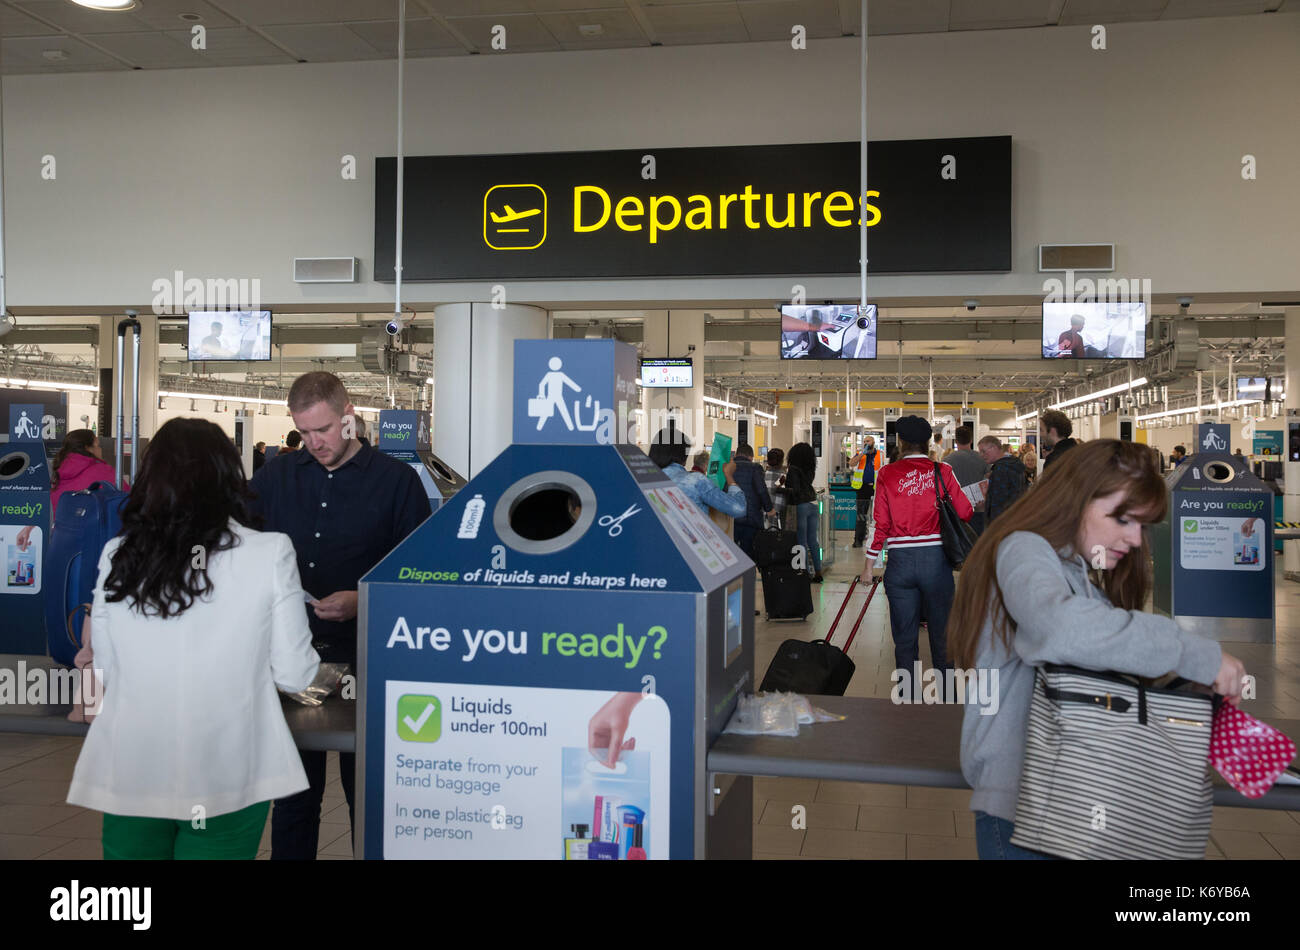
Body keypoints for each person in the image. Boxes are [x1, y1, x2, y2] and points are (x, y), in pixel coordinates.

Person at [947, 440, 1245, 860]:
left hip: (1072, 794)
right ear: (1077, 499)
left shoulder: (1074, 567)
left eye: (1142, 525)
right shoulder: (1024, 549)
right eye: (1122, 519)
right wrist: (1189, 651)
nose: (1135, 539)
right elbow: (1061, 628)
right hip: (1027, 812)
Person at [66, 418, 320, 859]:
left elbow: (103, 663)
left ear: (151, 478)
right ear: (228, 477)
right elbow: (296, 675)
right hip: (227, 766)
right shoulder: (270, 552)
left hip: (134, 763)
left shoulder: (118, 554)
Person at [250, 372, 431, 860]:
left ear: (348, 417)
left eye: (324, 430)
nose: (315, 443)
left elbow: (417, 575)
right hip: (295, 661)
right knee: (293, 800)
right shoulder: (275, 479)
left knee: (366, 798)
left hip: (365, 662)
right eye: (304, 433)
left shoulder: (397, 483)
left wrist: (361, 599)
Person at [862, 416, 972, 692]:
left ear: (900, 442)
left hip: (899, 562)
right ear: (926, 442)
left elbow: (880, 524)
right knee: (941, 633)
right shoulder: (942, 470)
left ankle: (909, 697)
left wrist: (868, 566)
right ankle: (945, 694)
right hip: (935, 561)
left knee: (904, 637)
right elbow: (965, 511)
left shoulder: (886, 474)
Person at [648, 428, 746, 520]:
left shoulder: (644, 481)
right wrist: (729, 476)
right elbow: (739, 509)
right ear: (682, 455)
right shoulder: (695, 481)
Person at [49, 429, 121, 516]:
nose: (100, 449)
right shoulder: (103, 471)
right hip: (95, 528)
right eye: (98, 445)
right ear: (88, 448)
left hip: (63, 528)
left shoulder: (58, 474)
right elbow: (128, 497)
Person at [785, 442, 823, 583]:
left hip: (801, 506)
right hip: (813, 503)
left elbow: (794, 490)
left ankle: (804, 573)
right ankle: (818, 572)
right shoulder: (810, 469)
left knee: (801, 541)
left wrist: (782, 489)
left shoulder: (793, 469)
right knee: (813, 540)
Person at [943, 426, 990, 535]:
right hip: (979, 508)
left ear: (956, 440)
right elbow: (989, 479)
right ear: (971, 440)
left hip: (957, 509)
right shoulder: (982, 459)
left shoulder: (947, 460)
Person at [730, 443, 772, 558]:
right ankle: (748, 575)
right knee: (749, 553)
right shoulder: (755, 468)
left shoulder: (727, 467)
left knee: (732, 552)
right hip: (750, 518)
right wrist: (769, 509)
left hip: (731, 518)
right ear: (750, 457)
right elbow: (761, 490)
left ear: (737, 454)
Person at [978, 436, 1028, 525]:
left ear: (994, 448)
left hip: (1002, 524)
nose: (981, 455)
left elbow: (998, 504)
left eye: (983, 451)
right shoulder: (1014, 464)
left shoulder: (1001, 470)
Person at [851, 436, 883, 548]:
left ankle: (877, 540)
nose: (866, 443)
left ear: (873, 442)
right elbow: (851, 463)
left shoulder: (880, 454)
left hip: (876, 488)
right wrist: (862, 454)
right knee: (861, 515)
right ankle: (858, 540)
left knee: (877, 515)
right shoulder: (860, 454)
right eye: (864, 441)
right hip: (862, 488)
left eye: (868, 441)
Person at [764, 447, 788, 530]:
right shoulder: (784, 477)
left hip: (765, 515)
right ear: (781, 461)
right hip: (780, 517)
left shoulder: (763, 475)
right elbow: (782, 497)